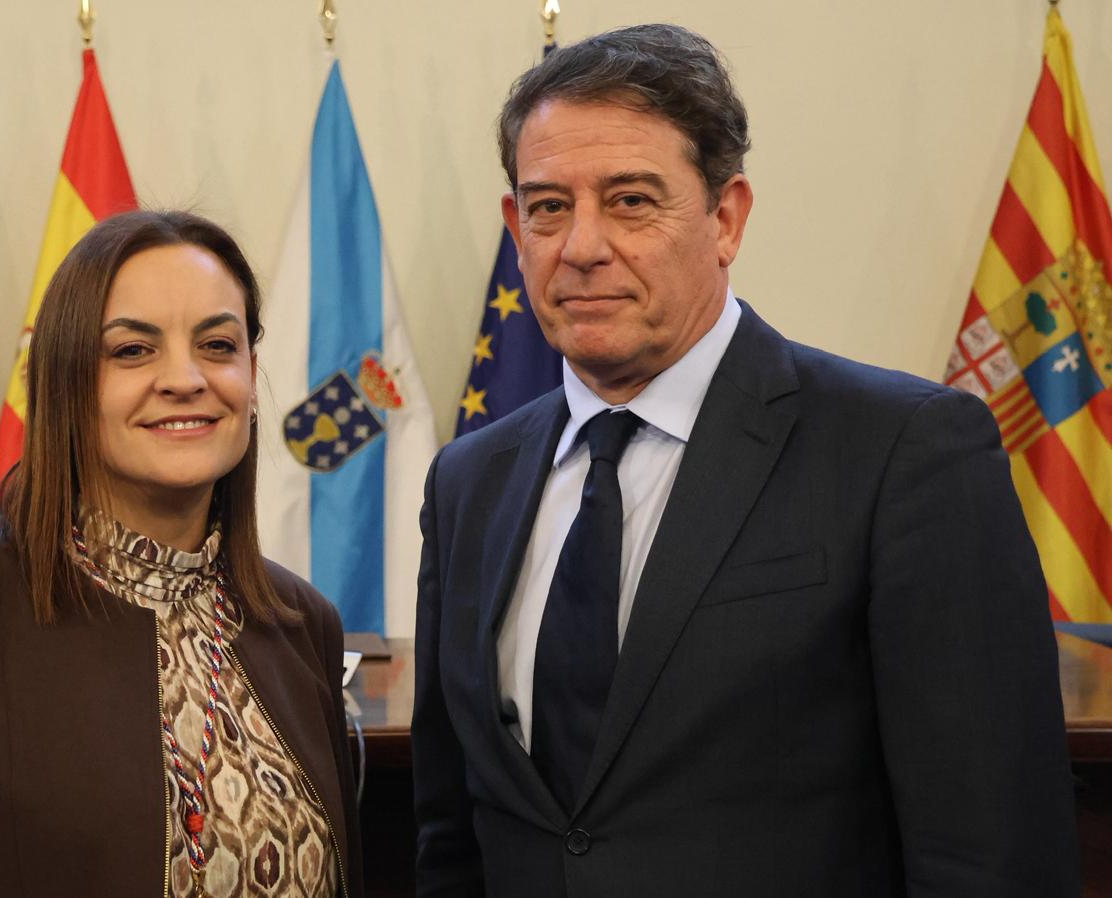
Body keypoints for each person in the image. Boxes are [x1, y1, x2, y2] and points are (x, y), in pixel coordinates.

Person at [412, 23, 1077, 897]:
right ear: (517, 226)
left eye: (631, 200)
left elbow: (992, 851)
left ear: (725, 219)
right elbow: (451, 836)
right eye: (548, 207)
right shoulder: (468, 482)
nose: (581, 246)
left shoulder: (904, 452)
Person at [0, 210, 363, 898]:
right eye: (133, 350)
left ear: (250, 376)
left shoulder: (302, 623)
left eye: (218, 345)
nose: (185, 378)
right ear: (65, 382)